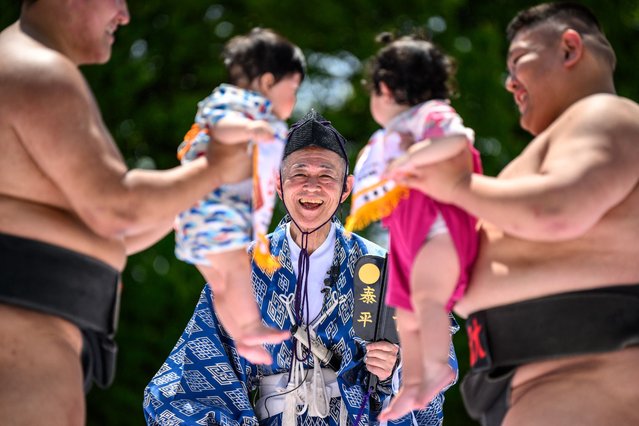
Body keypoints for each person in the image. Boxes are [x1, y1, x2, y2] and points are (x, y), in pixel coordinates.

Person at [0, 1, 252, 424]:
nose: (124, 14)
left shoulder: (25, 67)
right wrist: (218, 167)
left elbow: (108, 235)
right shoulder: (37, 70)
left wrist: (190, 189)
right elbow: (116, 210)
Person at [387, 3, 639, 426]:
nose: (509, 83)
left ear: (569, 48)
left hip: (588, 377)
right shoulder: (540, 157)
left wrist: (458, 187)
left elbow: (557, 210)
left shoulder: (604, 114)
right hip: (533, 382)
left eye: (518, 60)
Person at [144, 111, 444, 426]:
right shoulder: (242, 269)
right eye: (299, 173)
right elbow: (193, 381)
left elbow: (436, 370)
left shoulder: (385, 269)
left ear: (346, 188)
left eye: (326, 175)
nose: (312, 186)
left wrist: (397, 370)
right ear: (278, 183)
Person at [345, 33, 480, 421]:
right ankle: (414, 382)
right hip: (412, 239)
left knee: (427, 301)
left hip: (440, 232)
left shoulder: (430, 116)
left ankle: (435, 368)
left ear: (385, 89)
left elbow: (457, 139)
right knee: (405, 313)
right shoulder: (388, 137)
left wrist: (413, 157)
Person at [174, 27, 305, 364]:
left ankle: (240, 337)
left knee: (221, 284)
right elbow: (220, 126)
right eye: (293, 88)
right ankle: (248, 326)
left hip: (197, 213)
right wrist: (252, 129)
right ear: (266, 83)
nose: (294, 100)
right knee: (236, 269)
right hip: (213, 207)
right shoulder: (239, 105)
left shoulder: (251, 111)